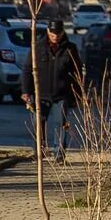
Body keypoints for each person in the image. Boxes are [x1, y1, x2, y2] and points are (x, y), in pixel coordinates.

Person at [21, 21, 83, 162]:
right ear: (48, 31)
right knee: (39, 123)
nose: (55, 36)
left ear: (62, 32)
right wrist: (26, 91)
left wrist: (77, 94)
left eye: (58, 33)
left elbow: (77, 73)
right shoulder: (37, 47)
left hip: (62, 94)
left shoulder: (70, 49)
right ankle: (38, 150)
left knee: (61, 123)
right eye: (52, 33)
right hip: (40, 93)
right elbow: (27, 69)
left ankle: (59, 154)